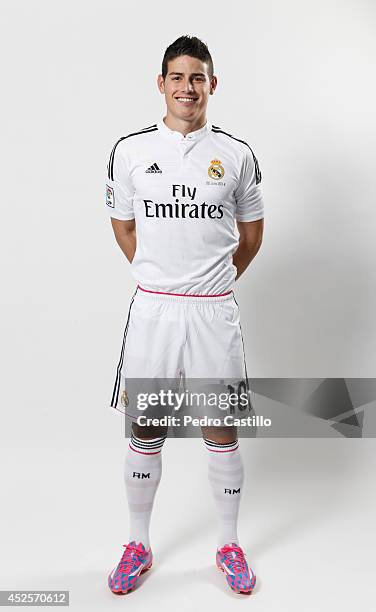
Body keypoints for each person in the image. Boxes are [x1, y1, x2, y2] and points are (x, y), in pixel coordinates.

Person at [105, 35, 264, 595]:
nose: (187, 88)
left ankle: (228, 544)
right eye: (177, 77)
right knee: (146, 426)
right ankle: (138, 544)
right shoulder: (129, 151)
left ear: (212, 85)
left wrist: (207, 283)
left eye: (197, 78)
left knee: (220, 430)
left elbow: (251, 236)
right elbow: (125, 228)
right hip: (153, 311)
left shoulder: (237, 155)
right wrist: (165, 279)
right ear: (161, 84)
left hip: (213, 313)